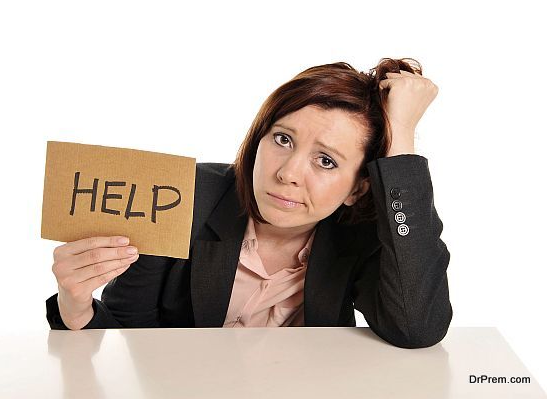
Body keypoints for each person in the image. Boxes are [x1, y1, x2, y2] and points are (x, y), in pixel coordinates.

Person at [46, 58, 452, 349]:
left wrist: (400, 137)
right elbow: (127, 337)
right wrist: (76, 305)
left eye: (325, 161)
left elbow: (417, 328)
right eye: (282, 139)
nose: (288, 172)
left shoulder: (368, 231)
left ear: (357, 189)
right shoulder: (182, 196)